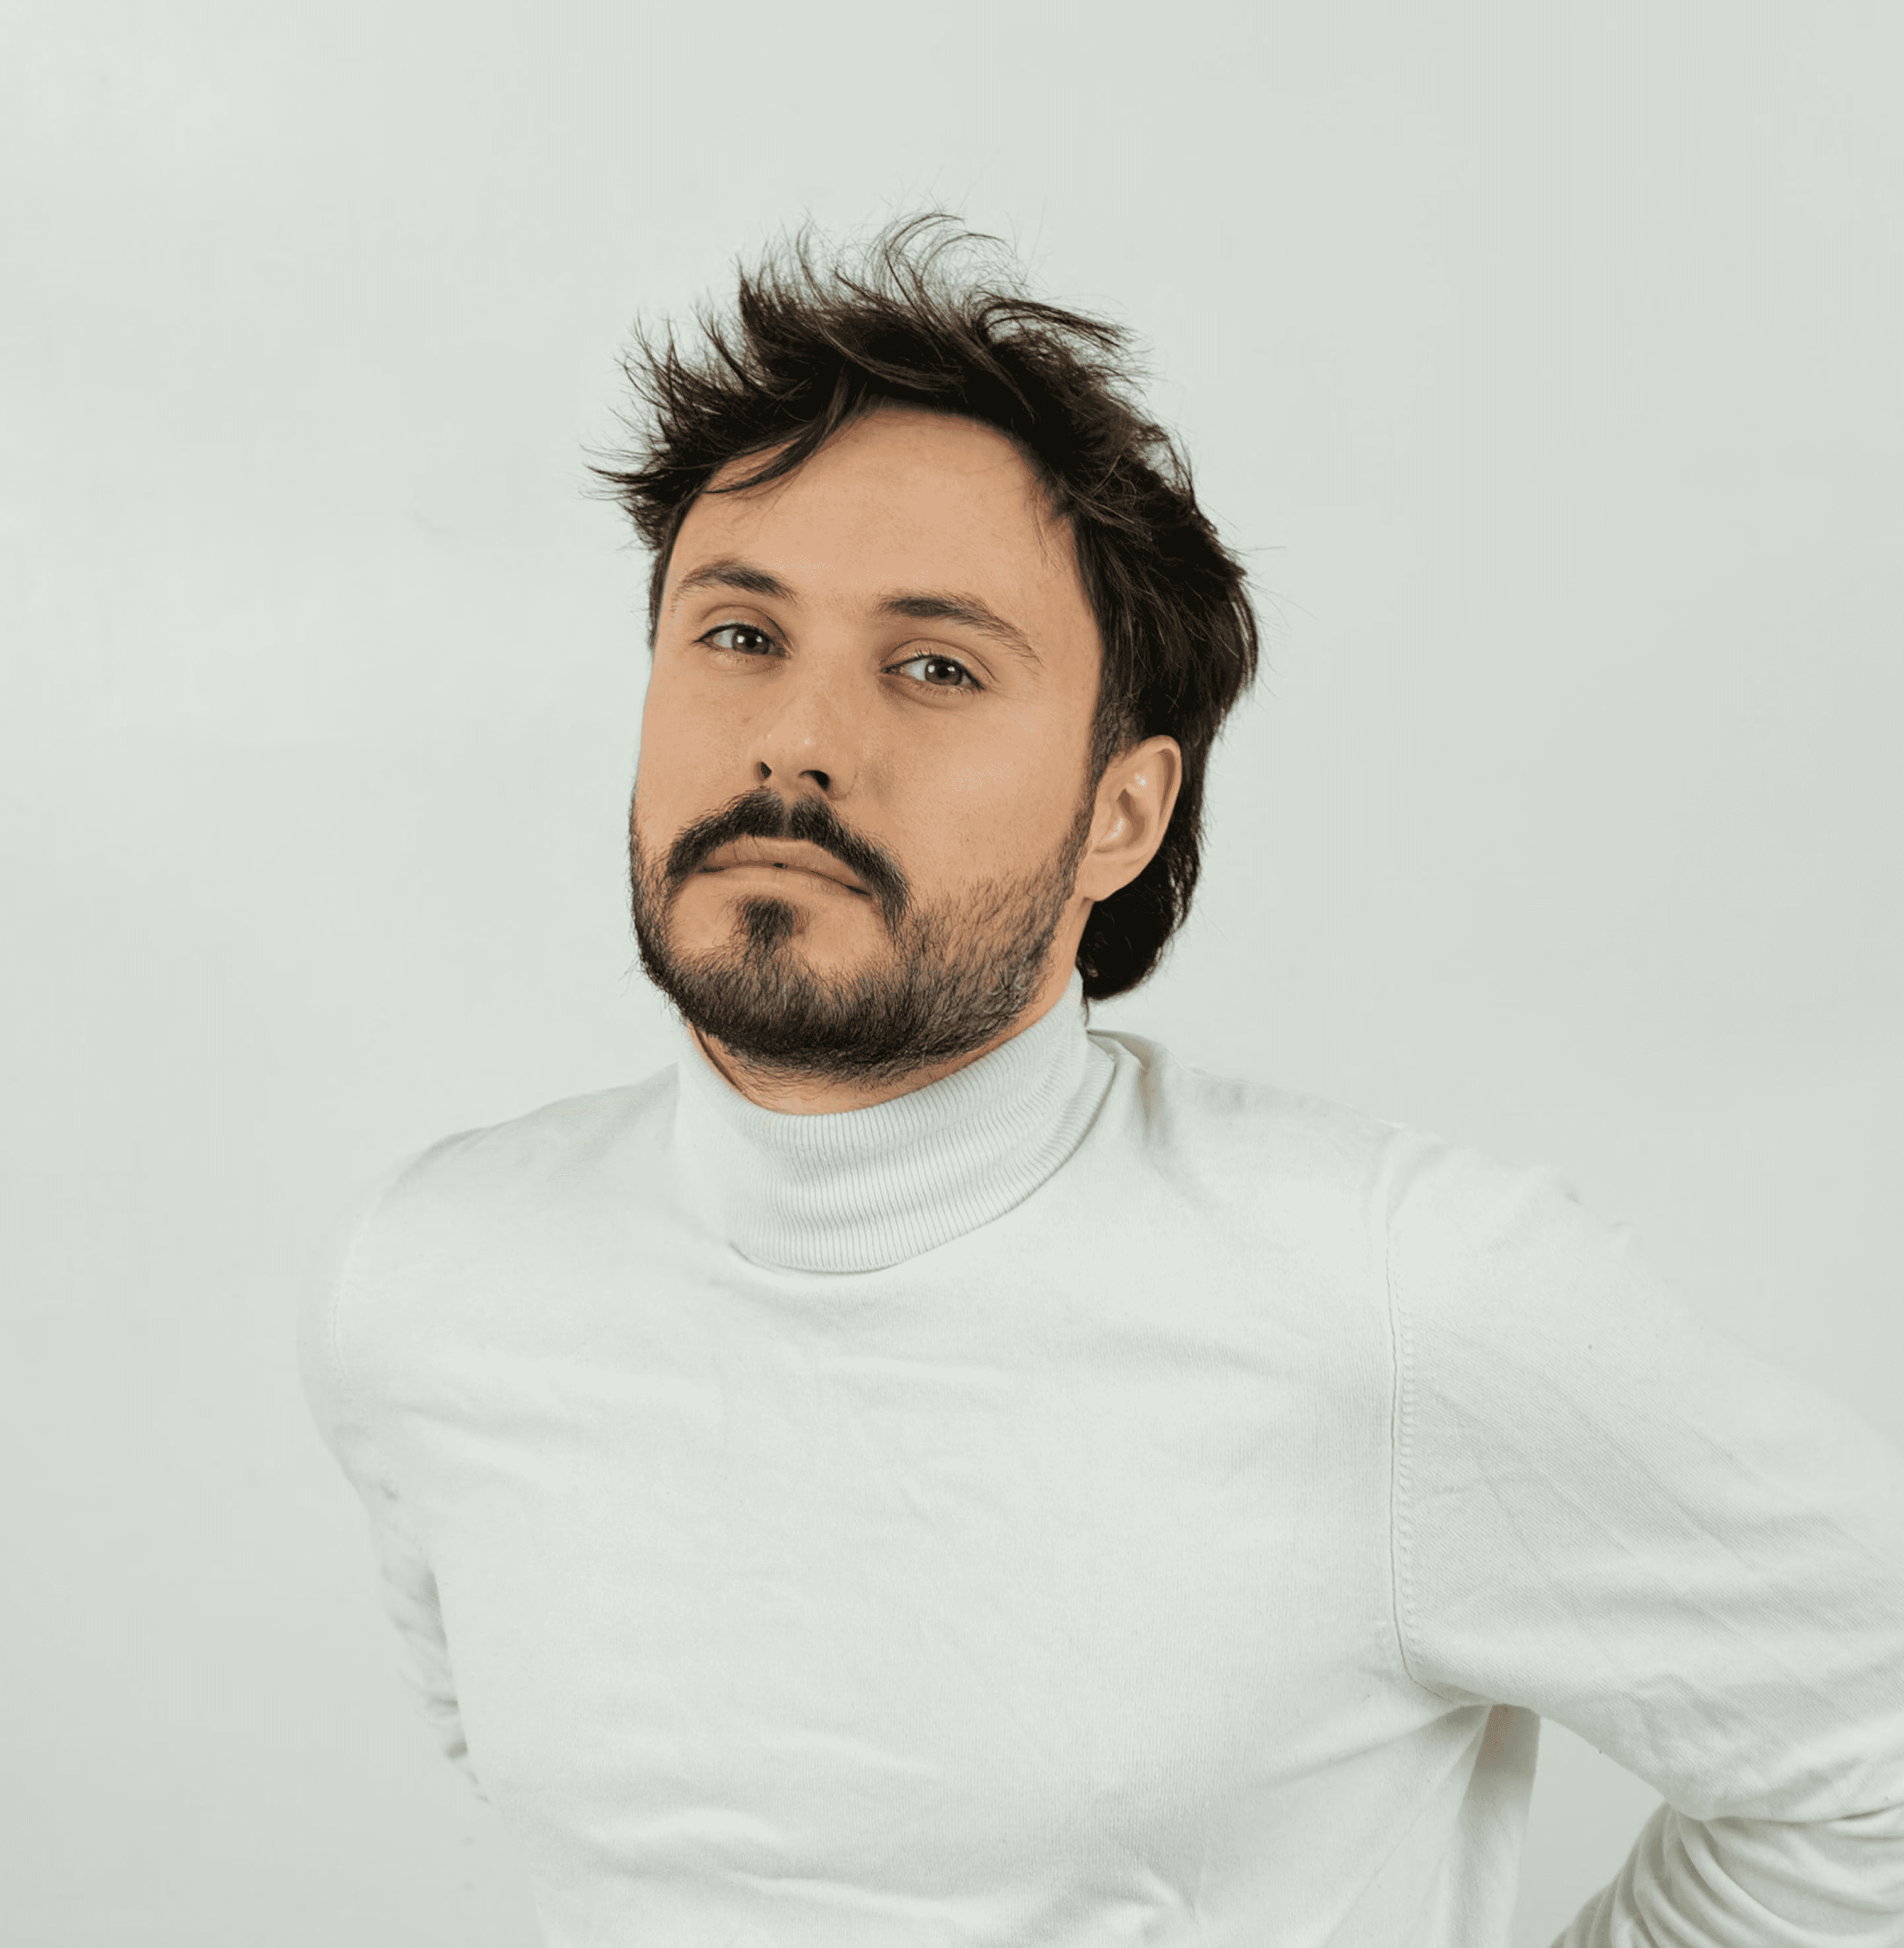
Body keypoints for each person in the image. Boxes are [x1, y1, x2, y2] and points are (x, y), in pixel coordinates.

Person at [299, 216, 1904, 1947]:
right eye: (739, 633)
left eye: (936, 664)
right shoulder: (434, 1280)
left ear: (1121, 815)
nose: (795, 737)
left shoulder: (1391, 1298)